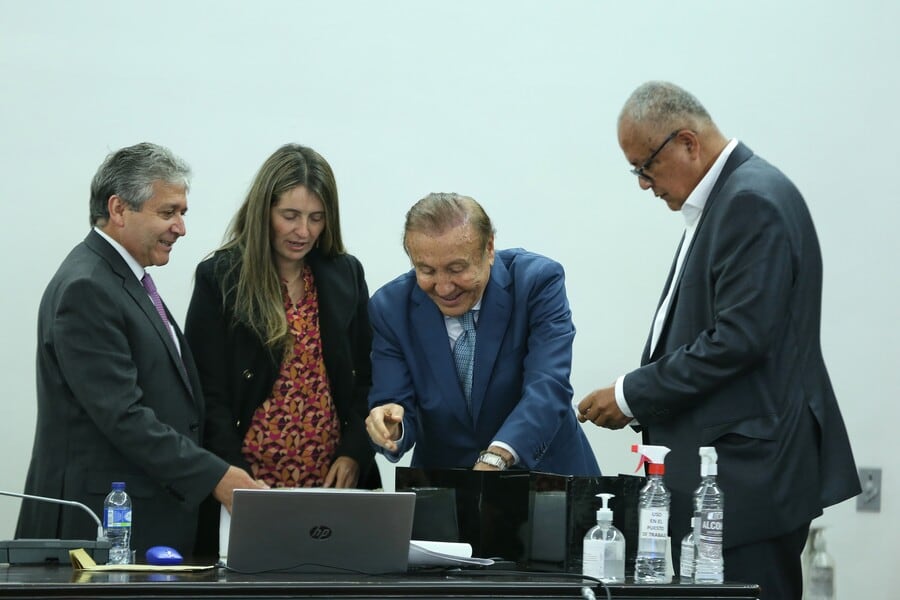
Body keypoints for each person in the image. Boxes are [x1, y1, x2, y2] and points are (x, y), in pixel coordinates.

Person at [577, 81, 860, 598]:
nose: (643, 184)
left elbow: (737, 340)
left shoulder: (750, 200)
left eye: (645, 166)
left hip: (746, 479)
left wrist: (629, 394)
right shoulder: (735, 196)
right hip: (733, 480)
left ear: (688, 142)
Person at [16, 142, 264, 559]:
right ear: (118, 209)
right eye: (168, 213)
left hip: (140, 523)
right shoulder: (88, 287)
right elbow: (122, 416)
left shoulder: (123, 280)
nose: (180, 228)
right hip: (97, 531)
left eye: (182, 213)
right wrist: (217, 476)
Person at [184, 144, 380, 554]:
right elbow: (208, 395)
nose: (303, 231)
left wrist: (355, 453)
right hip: (249, 485)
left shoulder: (346, 274)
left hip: (333, 483)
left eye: (316, 218)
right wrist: (233, 475)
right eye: (290, 216)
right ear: (263, 212)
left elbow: (368, 377)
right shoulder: (220, 277)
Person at [366, 193, 599, 475]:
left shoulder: (537, 282)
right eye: (426, 270)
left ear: (489, 249)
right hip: (448, 493)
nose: (443, 288)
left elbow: (548, 387)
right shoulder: (390, 308)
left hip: (545, 481)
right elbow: (394, 400)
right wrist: (392, 425)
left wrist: (497, 456)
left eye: (456, 269)